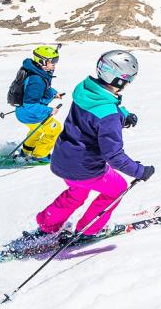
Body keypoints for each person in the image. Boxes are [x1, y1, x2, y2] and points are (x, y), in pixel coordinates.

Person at [32, 50, 154, 244]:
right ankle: (88, 230)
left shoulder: (84, 89)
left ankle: (47, 225)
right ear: (120, 80)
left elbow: (94, 112)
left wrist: (122, 114)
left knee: (77, 192)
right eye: (130, 78)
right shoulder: (109, 115)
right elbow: (114, 155)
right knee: (117, 188)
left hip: (62, 159)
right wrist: (139, 171)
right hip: (86, 167)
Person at [8, 45, 64, 162]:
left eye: (56, 61)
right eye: (52, 61)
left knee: (37, 130)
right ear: (42, 61)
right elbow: (30, 104)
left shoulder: (35, 71)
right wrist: (49, 110)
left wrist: (54, 93)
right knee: (55, 129)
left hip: (23, 112)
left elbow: (42, 90)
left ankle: (27, 151)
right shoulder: (36, 79)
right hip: (30, 113)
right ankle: (39, 155)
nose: (54, 64)